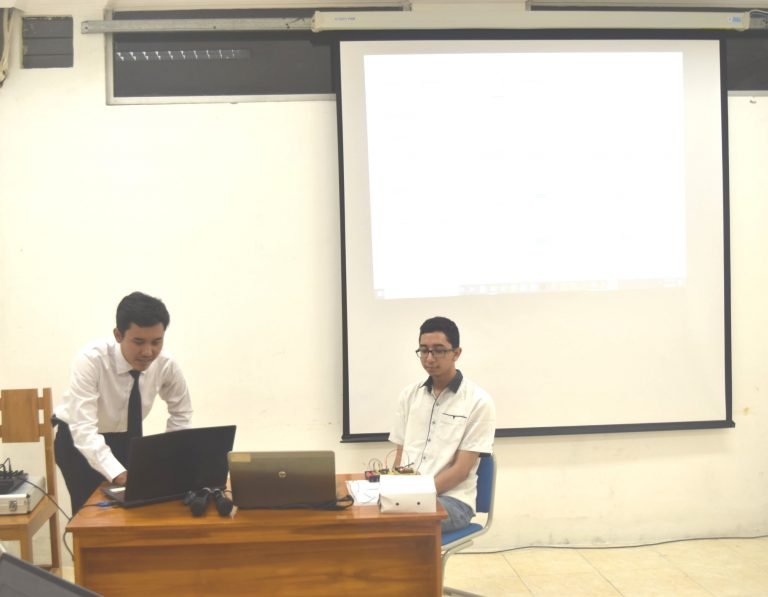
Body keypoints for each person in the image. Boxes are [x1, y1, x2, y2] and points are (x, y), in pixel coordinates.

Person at [53, 291, 193, 514]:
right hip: (78, 442)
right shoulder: (91, 360)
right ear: (118, 335)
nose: (148, 352)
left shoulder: (166, 364)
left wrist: (169, 455)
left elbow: (182, 413)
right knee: (91, 517)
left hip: (126, 438)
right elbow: (83, 429)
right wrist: (117, 472)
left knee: (136, 511)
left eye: (156, 341)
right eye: (138, 342)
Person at [389, 316, 496, 533]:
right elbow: (400, 455)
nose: (429, 358)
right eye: (424, 350)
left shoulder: (478, 401)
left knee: (401, 523)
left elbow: (461, 470)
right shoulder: (409, 395)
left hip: (453, 501)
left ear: (456, 353)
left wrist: (415, 495)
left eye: (438, 351)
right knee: (360, 514)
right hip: (408, 497)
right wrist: (393, 490)